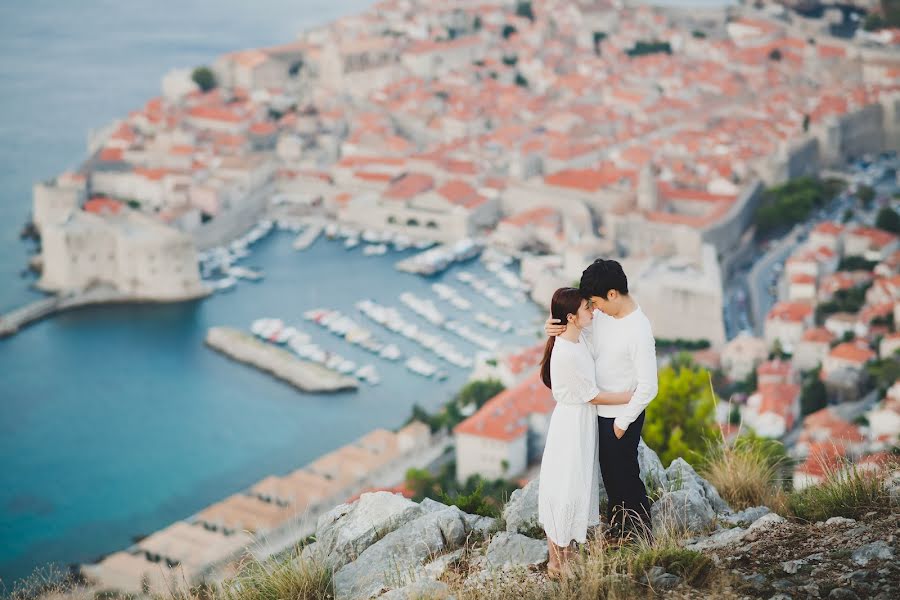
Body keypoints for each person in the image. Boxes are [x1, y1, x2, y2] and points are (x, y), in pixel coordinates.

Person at [545, 259, 658, 542]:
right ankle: (620, 531)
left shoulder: (638, 329)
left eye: (595, 302)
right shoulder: (605, 318)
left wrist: (621, 423)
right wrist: (553, 325)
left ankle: (643, 536)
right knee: (611, 479)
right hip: (599, 412)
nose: (594, 309)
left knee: (626, 477)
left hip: (622, 416)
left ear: (612, 294)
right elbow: (576, 328)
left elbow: (649, 387)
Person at [537, 287, 634, 578]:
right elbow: (591, 395)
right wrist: (630, 396)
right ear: (572, 317)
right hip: (571, 425)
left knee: (574, 485)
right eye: (586, 309)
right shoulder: (566, 352)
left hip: (579, 422)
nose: (592, 311)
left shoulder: (575, 339)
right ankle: (557, 562)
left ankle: (564, 556)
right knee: (565, 487)